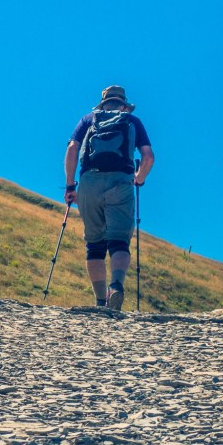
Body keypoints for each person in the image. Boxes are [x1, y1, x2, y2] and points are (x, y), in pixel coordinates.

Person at [64, 86, 154, 310]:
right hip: (121, 181)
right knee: (119, 241)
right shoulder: (132, 121)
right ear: (124, 106)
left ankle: (99, 301)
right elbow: (148, 157)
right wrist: (139, 178)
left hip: (89, 182)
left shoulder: (88, 120)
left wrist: (70, 185)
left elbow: (73, 148)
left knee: (94, 245)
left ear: (103, 104)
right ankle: (115, 286)